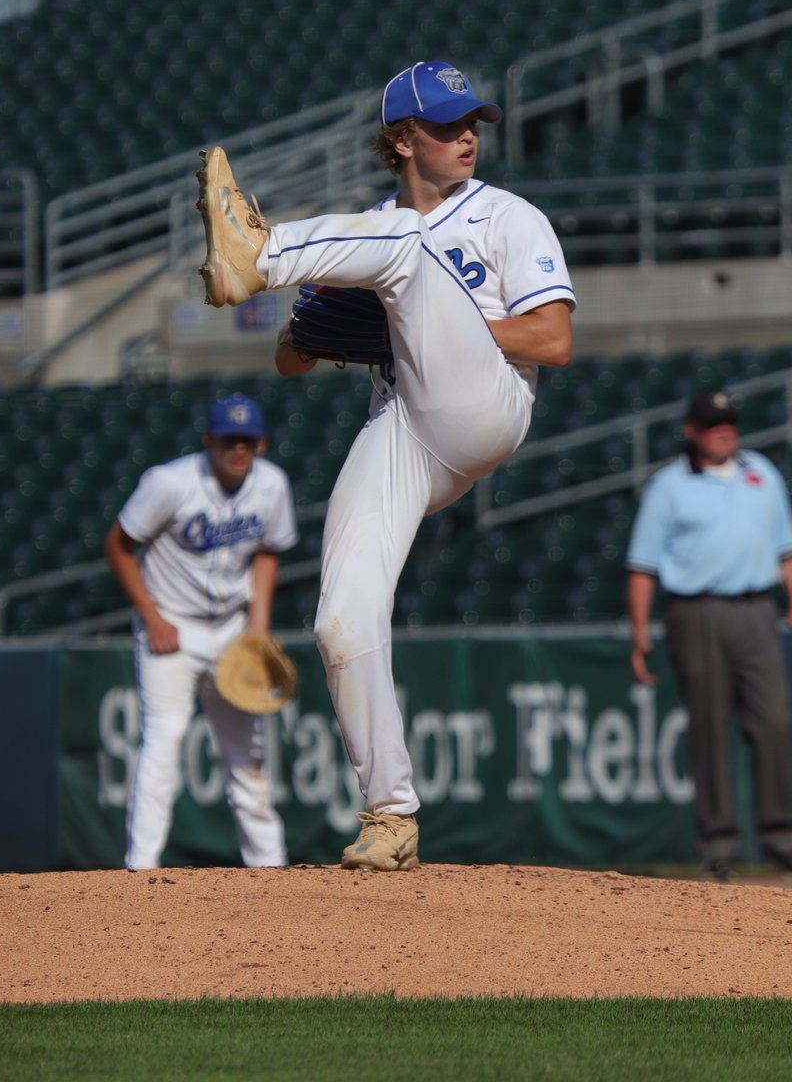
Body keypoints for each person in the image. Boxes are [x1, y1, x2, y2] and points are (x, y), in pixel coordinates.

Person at [195, 60, 576, 871]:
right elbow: (289, 362)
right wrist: (304, 338)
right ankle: (389, 814)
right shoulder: (369, 229)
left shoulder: (507, 217)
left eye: (472, 119)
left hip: (485, 404)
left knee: (406, 243)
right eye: (445, 123)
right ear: (402, 139)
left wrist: (439, 323)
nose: (467, 133)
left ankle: (257, 255)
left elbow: (553, 339)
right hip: (402, 424)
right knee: (341, 616)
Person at [104, 393, 299, 870]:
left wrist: (258, 623)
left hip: (233, 628)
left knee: (247, 755)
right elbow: (119, 544)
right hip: (173, 626)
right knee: (164, 738)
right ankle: (141, 867)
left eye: (248, 441)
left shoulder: (272, 485)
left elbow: (269, 551)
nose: (239, 449)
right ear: (208, 440)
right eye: (229, 440)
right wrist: (152, 617)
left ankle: (269, 868)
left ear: (262, 444)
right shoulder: (169, 483)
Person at [626, 386, 792, 881]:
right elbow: (642, 566)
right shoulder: (668, 485)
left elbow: (786, 550)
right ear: (691, 430)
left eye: (730, 423)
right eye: (713, 423)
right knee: (710, 728)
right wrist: (640, 632)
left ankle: (781, 841)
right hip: (696, 612)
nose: (724, 430)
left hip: (758, 608)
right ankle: (718, 847)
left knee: (775, 723)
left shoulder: (761, 472)